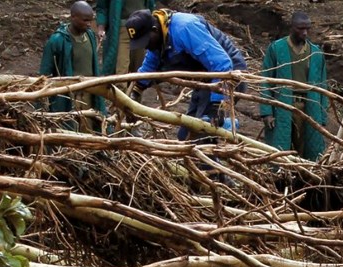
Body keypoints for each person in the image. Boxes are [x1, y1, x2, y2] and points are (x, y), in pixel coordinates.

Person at [125, 9, 244, 140]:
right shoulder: (158, 38)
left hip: (228, 75)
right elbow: (148, 68)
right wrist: (133, 95)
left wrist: (217, 105)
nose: (145, 47)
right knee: (185, 135)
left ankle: (226, 126)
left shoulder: (185, 28)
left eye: (146, 41)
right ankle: (221, 128)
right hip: (206, 78)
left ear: (154, 29)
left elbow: (222, 64)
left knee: (202, 133)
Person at [259, 12, 328, 161]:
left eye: (307, 29)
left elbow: (323, 85)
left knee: (308, 148)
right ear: (292, 27)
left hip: (309, 106)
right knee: (282, 147)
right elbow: (266, 78)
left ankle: (305, 180)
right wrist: (267, 112)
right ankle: (280, 180)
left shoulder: (315, 52)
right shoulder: (277, 48)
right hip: (282, 105)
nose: (305, 33)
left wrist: (322, 117)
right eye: (300, 29)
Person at [39, 1, 108, 132]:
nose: (89, 24)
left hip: (90, 93)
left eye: (91, 20)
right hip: (67, 97)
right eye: (85, 20)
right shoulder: (57, 41)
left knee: (89, 131)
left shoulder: (90, 36)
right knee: (68, 130)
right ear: (73, 17)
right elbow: (44, 73)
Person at [96, 0, 157, 76]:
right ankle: (120, 87)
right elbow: (102, 7)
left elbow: (151, 5)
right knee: (121, 67)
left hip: (142, 26)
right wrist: (101, 26)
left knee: (140, 66)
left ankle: (136, 87)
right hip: (121, 27)